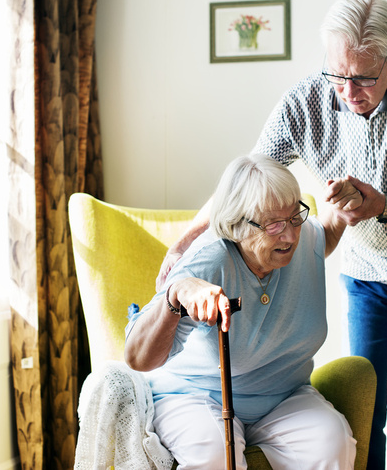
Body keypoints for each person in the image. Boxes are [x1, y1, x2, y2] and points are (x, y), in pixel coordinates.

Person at [157, 0, 387, 469]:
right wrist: (183, 241)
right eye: (338, 74)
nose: (348, 91)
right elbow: (244, 182)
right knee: (364, 404)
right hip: (371, 269)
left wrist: (384, 203)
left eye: (364, 77)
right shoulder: (305, 101)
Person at [126, 153, 361, 470]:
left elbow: (324, 237)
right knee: (214, 457)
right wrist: (177, 295)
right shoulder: (208, 262)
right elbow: (137, 358)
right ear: (236, 226)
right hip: (196, 395)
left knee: (332, 444)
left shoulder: (303, 238)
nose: (290, 235)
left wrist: (344, 206)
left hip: (283, 396)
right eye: (274, 225)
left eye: (294, 217)